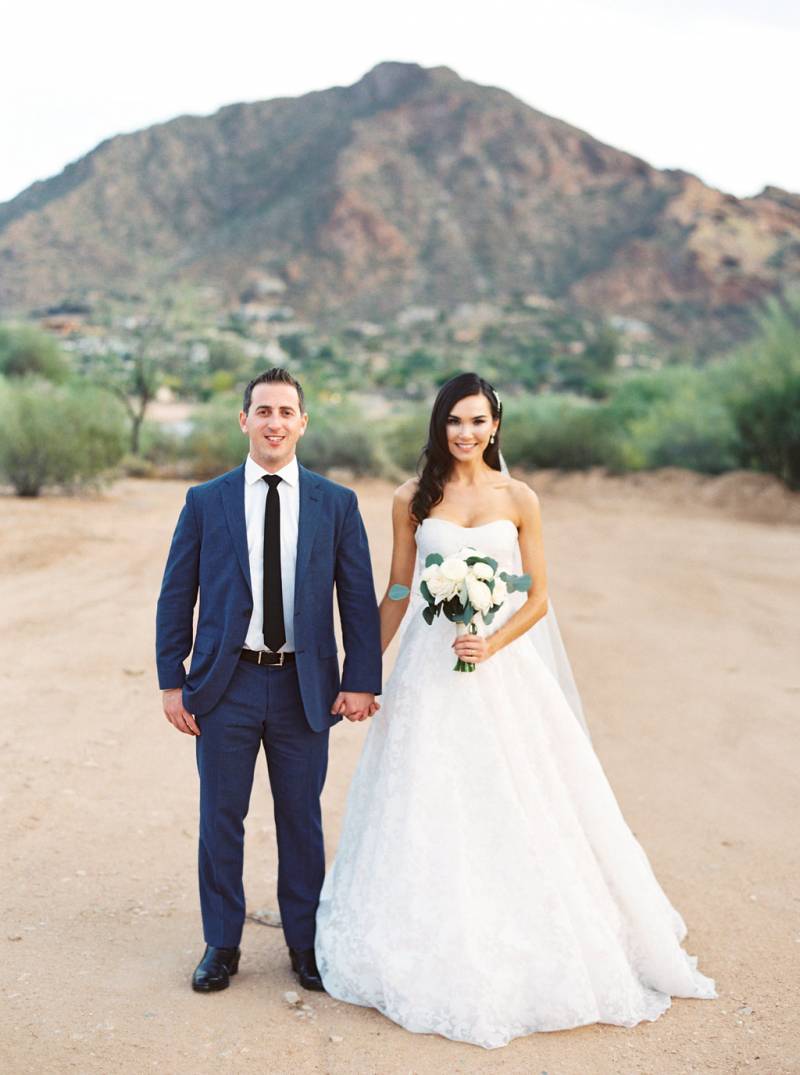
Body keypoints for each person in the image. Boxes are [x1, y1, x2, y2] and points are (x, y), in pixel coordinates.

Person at [314, 372, 717, 1049]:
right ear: (438, 426)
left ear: (495, 425)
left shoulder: (520, 498)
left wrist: (490, 640)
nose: (464, 433)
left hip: (500, 671)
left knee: (522, 793)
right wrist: (358, 670)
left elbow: (536, 595)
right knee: (426, 795)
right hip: (428, 672)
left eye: (476, 421)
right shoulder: (411, 498)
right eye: (453, 421)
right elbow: (398, 589)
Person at [155, 368, 382, 994]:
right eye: (263, 411)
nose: (274, 422)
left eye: (286, 411)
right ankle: (221, 944)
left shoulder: (337, 504)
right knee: (220, 818)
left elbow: (357, 600)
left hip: (302, 688)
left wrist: (361, 678)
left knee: (300, 820)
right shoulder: (207, 501)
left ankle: (305, 946)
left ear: (303, 422)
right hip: (225, 686)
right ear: (244, 421)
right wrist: (171, 681)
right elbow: (177, 594)